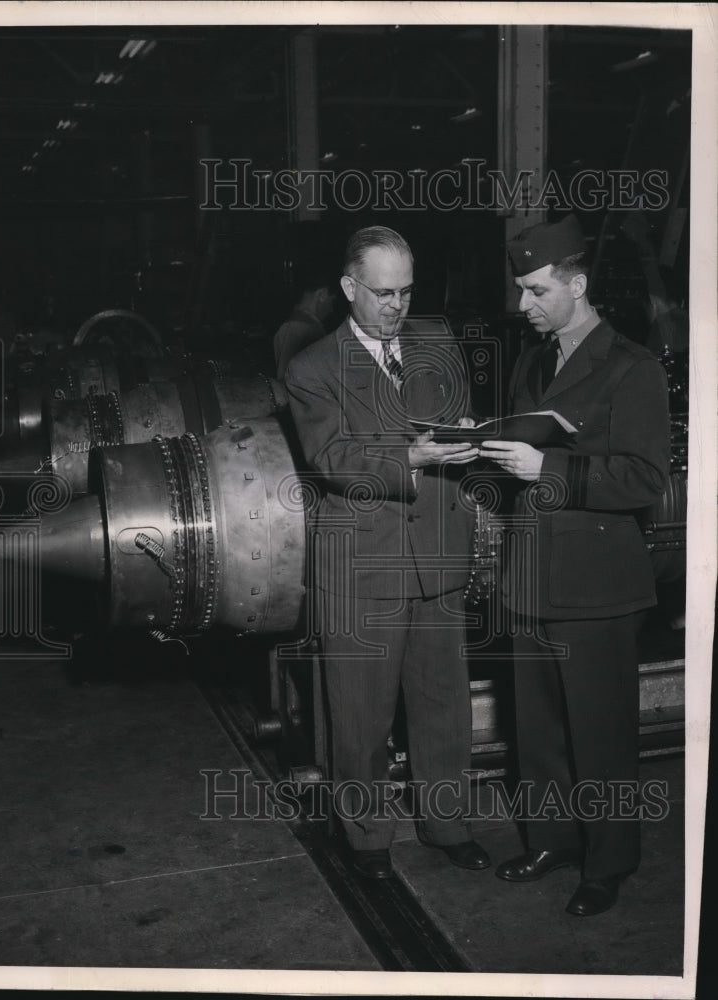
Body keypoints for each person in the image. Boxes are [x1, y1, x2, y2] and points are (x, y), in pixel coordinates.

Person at [479, 214, 670, 916]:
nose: (523, 306)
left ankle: (609, 862)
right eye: (521, 291)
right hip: (531, 578)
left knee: (601, 733)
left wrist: (545, 465)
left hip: (597, 588)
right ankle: (552, 839)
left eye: (535, 291)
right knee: (540, 730)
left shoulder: (632, 367)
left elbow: (644, 479)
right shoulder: (534, 361)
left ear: (577, 284)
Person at [285, 225, 489, 880]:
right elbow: (334, 459)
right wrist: (412, 457)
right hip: (364, 562)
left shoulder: (437, 340)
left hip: (437, 551)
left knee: (443, 708)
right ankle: (368, 838)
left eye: (405, 291)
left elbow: (457, 413)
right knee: (362, 715)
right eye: (381, 293)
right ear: (350, 289)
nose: (396, 305)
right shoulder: (311, 368)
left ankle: (447, 823)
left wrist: (470, 438)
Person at [273, 267, 337, 379]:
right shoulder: (309, 329)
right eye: (331, 300)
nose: (331, 309)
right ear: (322, 294)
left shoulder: (286, 326)